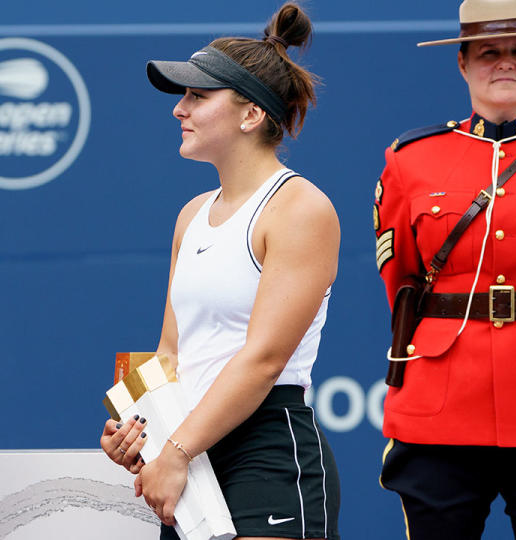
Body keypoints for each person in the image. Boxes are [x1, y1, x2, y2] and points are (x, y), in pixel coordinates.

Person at [99, 3, 341, 539]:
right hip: (189, 449)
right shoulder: (191, 215)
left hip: (267, 448)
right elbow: (168, 356)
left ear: (251, 114)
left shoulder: (300, 208)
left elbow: (262, 360)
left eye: (197, 96)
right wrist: (136, 428)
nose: (178, 110)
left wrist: (179, 449)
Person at [375, 0, 516, 537]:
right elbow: (400, 278)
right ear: (463, 64)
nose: (505, 63)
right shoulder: (410, 159)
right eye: (489, 52)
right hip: (441, 400)